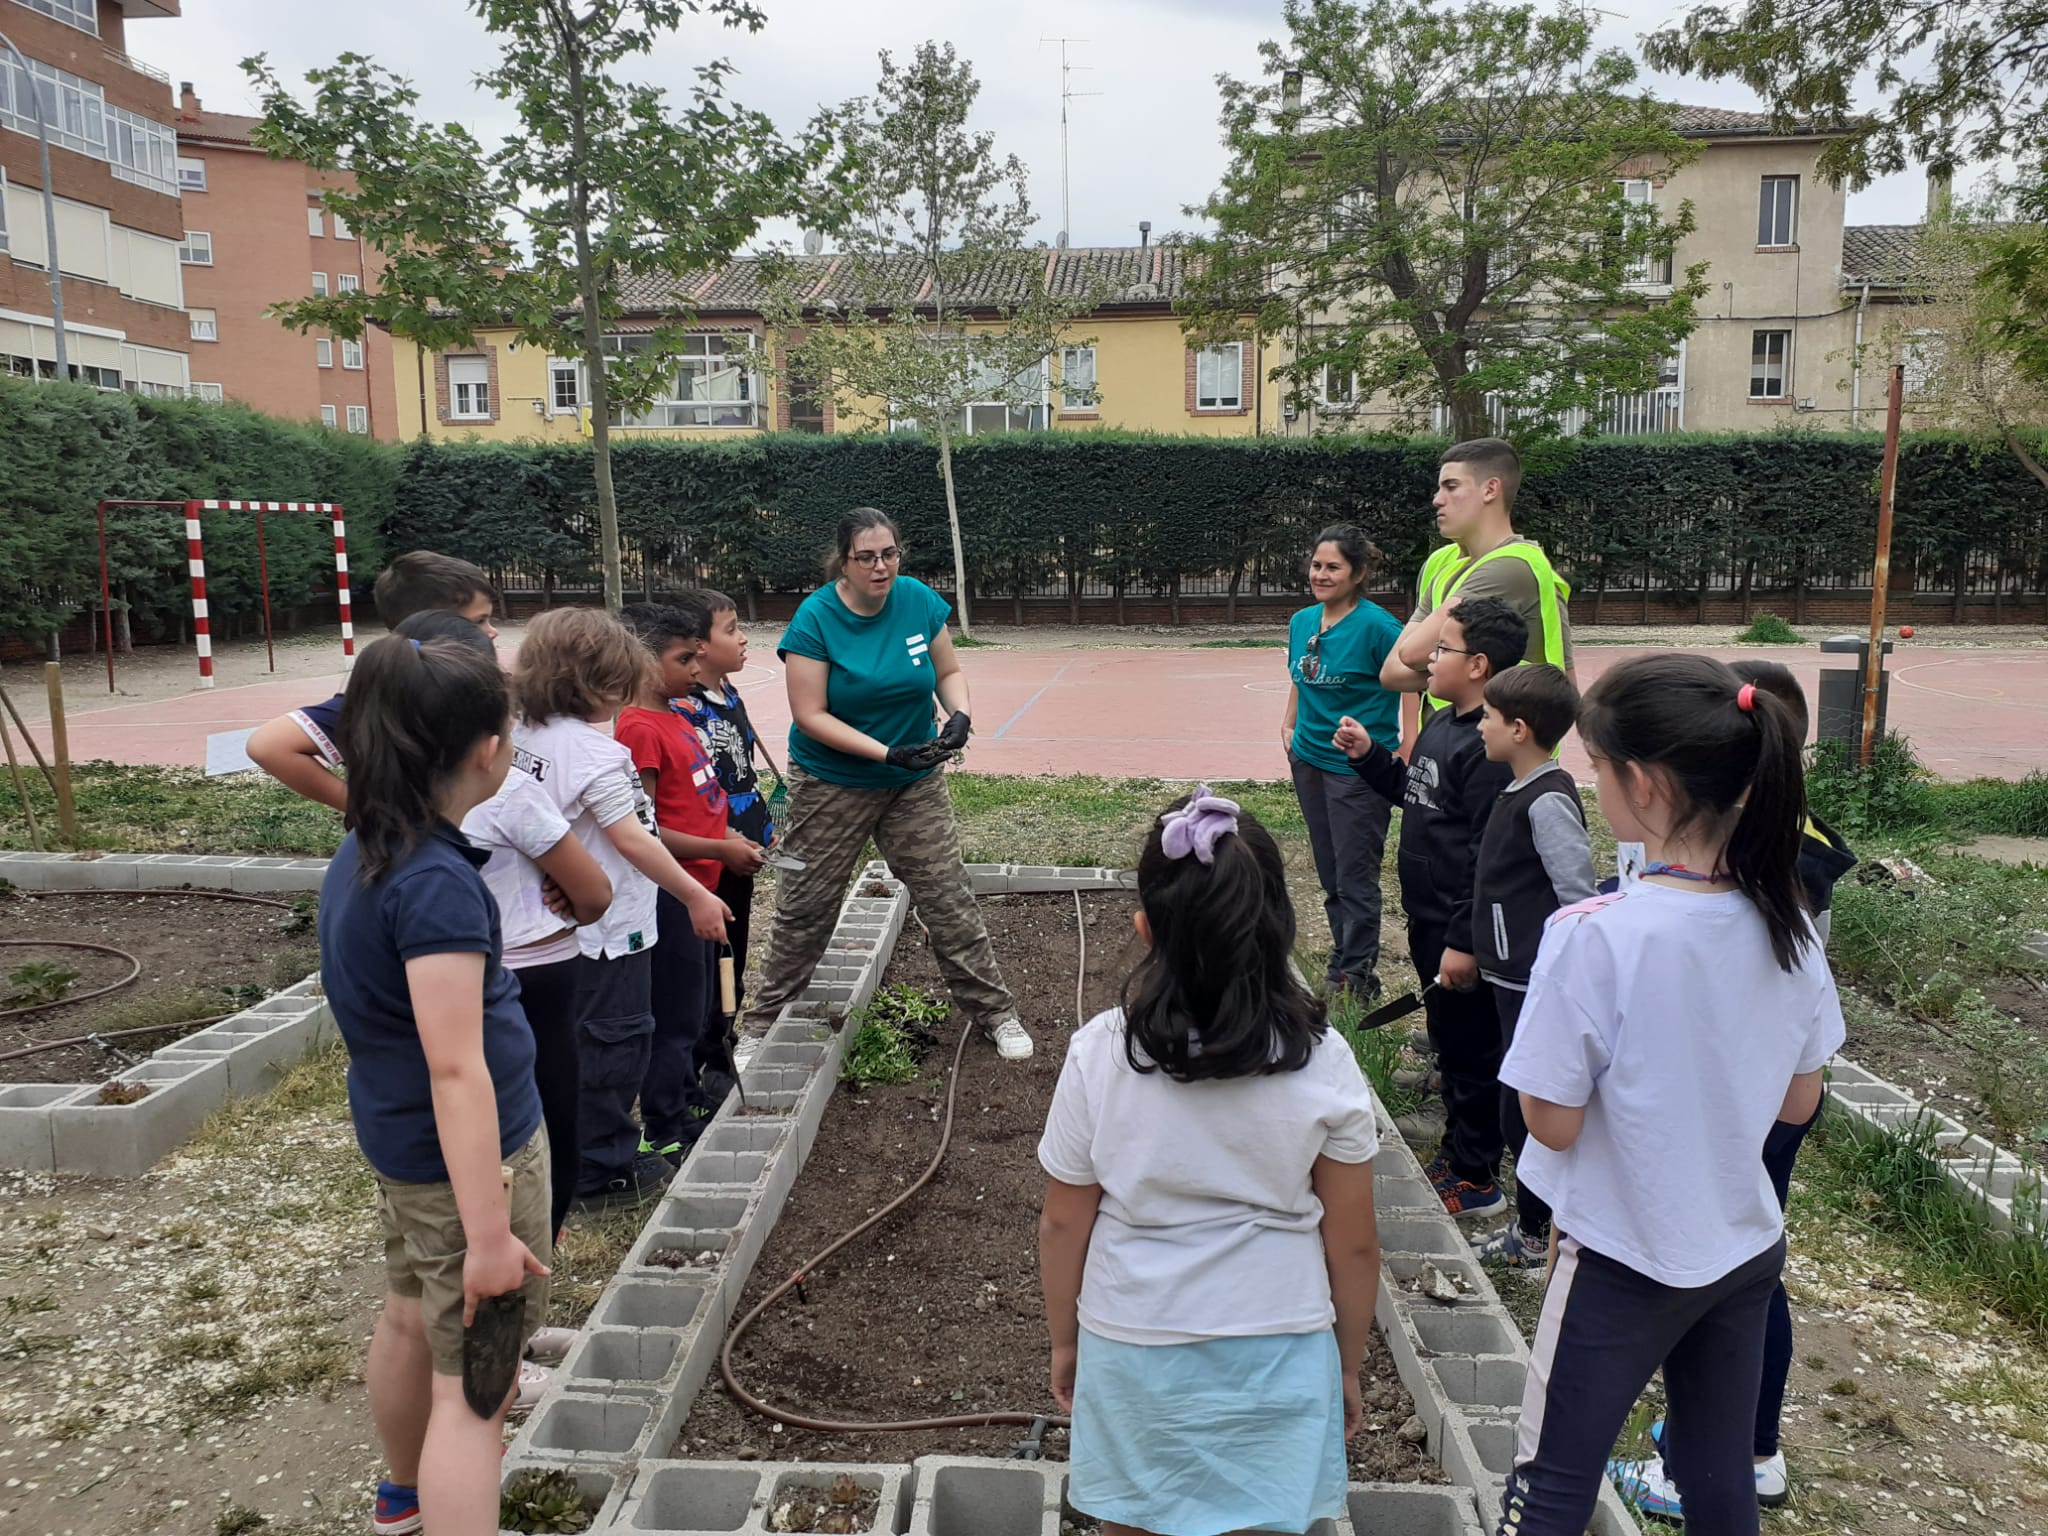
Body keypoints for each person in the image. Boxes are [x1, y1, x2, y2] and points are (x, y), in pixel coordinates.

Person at [1496, 654, 1845, 1536]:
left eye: (1599, 767)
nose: (1593, 781)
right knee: (1719, 1480)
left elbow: (1555, 1124)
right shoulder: (1791, 926)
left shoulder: (1592, 936)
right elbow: (1798, 1105)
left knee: (1551, 1483)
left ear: (1643, 785)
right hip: (1740, 1249)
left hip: (1620, 1249)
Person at [1038, 788, 1381, 1536]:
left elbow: (1066, 1221)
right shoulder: (1322, 1062)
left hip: (1132, 1344)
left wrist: (1067, 1339)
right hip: (1282, 1350)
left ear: (1143, 930)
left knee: (1131, 1522)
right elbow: (1353, 1242)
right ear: (1281, 929)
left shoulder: (1102, 1052)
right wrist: (1347, 1364)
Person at [1608, 658, 1857, 1520]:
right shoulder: (1766, 838)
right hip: (1758, 1086)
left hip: (1747, 1095)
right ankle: (1723, 1449)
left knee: (1736, 1275)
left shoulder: (1784, 854)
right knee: (1738, 1271)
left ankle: (1744, 1450)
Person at [315, 632, 552, 1536]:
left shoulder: (367, 849)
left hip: (407, 1158)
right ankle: (441, 1498)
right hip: (469, 1180)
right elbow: (458, 1069)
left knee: (410, 1318)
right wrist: (489, 1237)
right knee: (477, 1396)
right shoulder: (436, 887)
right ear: (487, 752)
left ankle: (403, 1500)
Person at [747, 507, 1031, 1061]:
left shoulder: (918, 600)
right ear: (843, 562)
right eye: (867, 557)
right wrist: (886, 752)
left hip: (914, 781)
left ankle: (996, 1013)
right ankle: (761, 1023)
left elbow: (947, 671)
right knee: (806, 904)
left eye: (890, 554)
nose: (881, 567)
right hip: (834, 782)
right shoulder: (816, 618)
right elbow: (811, 714)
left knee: (947, 897)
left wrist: (960, 713)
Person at [507, 607, 731, 1209]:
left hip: (551, 929)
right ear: (602, 681)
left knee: (566, 1043)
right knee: (615, 1041)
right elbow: (636, 837)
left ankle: (567, 1148)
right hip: (611, 929)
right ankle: (600, 1168)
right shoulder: (596, 754)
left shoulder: (523, 734)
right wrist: (695, 893)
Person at [1335, 597, 1527, 1221]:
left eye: (1441, 650)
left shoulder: (1488, 749)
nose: (1428, 659)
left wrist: (1466, 941)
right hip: (1428, 919)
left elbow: (1485, 857)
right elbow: (1413, 795)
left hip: (1459, 928)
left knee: (1474, 1053)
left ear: (1477, 665)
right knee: (1449, 1041)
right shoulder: (1444, 724)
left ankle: (1477, 1177)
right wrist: (1370, 758)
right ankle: (1457, 1151)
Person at [1466, 663, 1595, 1268]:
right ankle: (1535, 1222)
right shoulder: (1516, 789)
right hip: (1505, 971)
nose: (1480, 728)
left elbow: (1576, 894)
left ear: (1519, 729)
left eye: (1488, 718)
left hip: (1530, 977)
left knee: (1525, 1104)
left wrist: (1562, 968)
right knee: (1508, 1096)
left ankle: (1538, 1228)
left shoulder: (1547, 799)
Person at [616, 601, 743, 1164]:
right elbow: (646, 829)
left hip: (702, 887)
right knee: (672, 1016)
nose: (697, 668)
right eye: (683, 657)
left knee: (695, 1011)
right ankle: (662, 1125)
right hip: (673, 893)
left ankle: (686, 1100)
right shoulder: (638, 728)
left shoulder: (678, 716)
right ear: (643, 661)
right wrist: (720, 849)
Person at [250, 551, 501, 809]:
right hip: (406, 844)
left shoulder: (475, 685)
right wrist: (363, 807)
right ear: (429, 622)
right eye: (479, 621)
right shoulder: (388, 693)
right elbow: (268, 746)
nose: (492, 632)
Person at [1379, 439, 1575, 753]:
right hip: (1447, 749)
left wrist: (1432, 665)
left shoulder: (1512, 567)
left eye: (1451, 487)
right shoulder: (1443, 563)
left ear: (1490, 489)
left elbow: (1412, 655)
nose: (1436, 500)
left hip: (1500, 759)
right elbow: (1391, 673)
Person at [1282, 524, 1405, 1003]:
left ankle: (1357, 977)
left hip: (1357, 769)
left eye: (1333, 567)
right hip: (1308, 760)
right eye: (1317, 565)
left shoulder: (1379, 627)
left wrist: (1406, 745)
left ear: (1358, 574)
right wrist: (1288, 728)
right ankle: (1343, 960)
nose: (1321, 574)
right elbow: (1298, 676)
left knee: (1356, 876)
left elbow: (1411, 682)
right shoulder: (1301, 621)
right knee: (1331, 872)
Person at [670, 588, 772, 1105]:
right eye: (730, 628)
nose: (742, 636)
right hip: (707, 855)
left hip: (741, 847)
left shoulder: (727, 691)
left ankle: (723, 1037)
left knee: (735, 944)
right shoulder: (676, 712)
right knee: (706, 959)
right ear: (697, 646)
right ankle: (701, 1059)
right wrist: (723, 841)